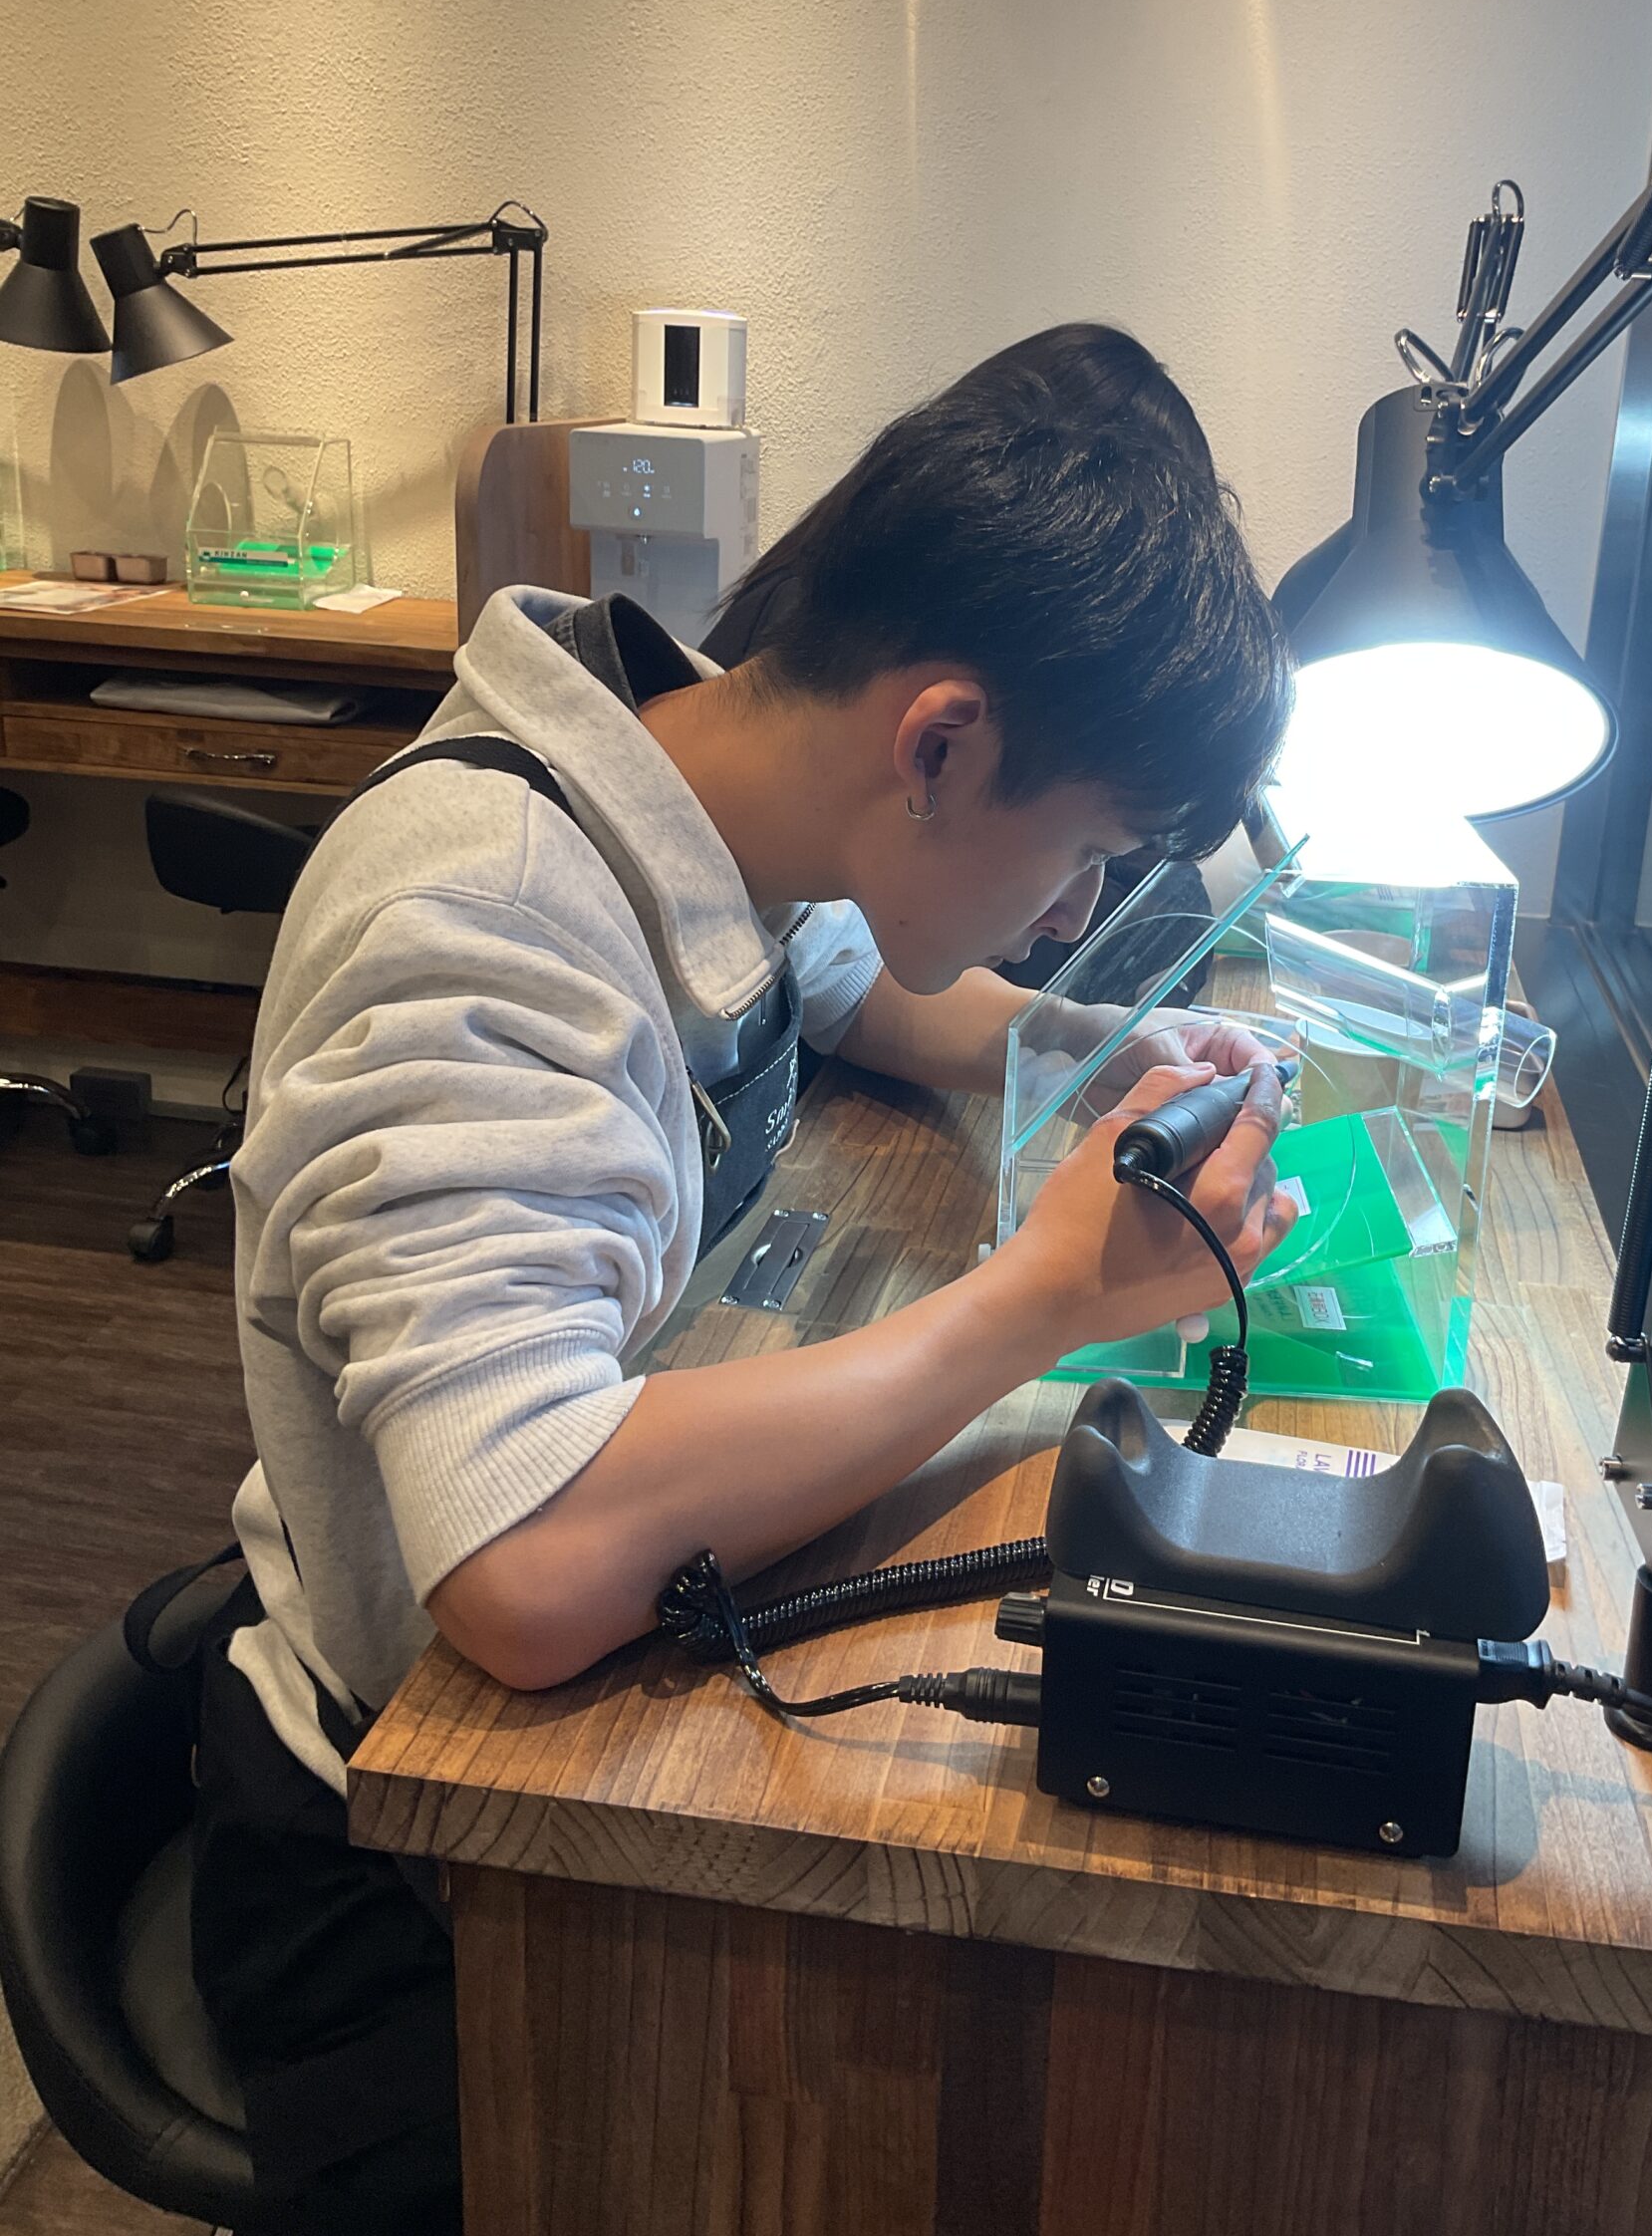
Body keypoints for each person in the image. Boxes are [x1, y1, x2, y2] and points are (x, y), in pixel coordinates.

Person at [188, 322, 1295, 2230]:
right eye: (1087, 857)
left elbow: (843, 979)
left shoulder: (707, 773)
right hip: (395, 1854)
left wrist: (1086, 1050)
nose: (1072, 915)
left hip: (526, 1742)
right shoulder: (482, 922)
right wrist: (1041, 1300)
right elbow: (526, 1562)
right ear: (939, 742)